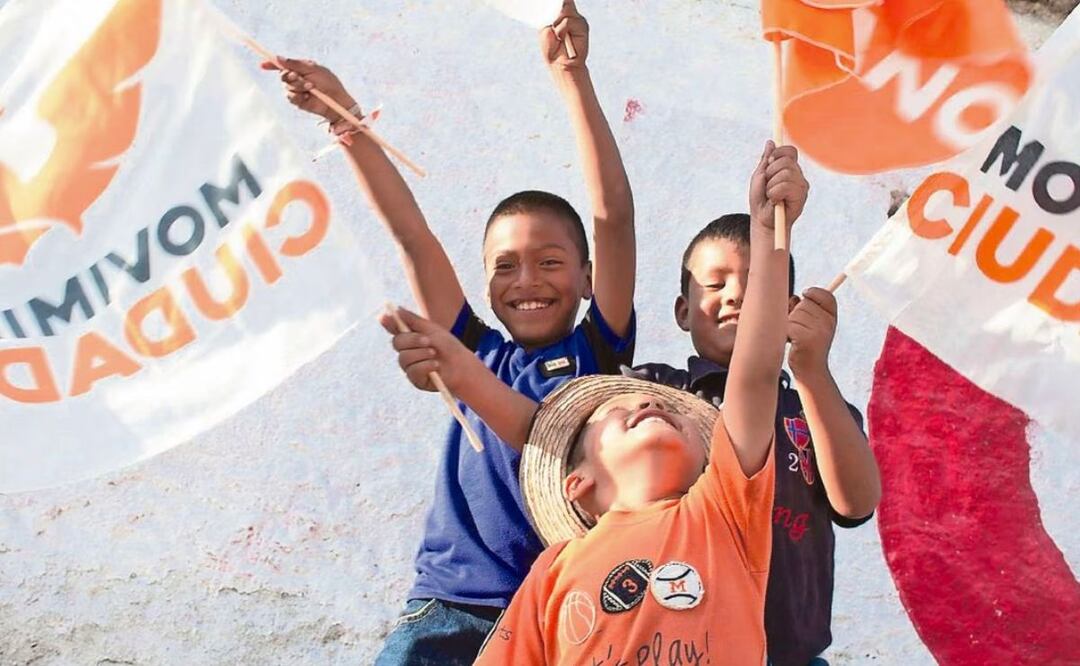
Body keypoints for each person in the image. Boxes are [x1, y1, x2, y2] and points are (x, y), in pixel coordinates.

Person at [269, 2, 635, 663]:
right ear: (487, 284)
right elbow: (412, 233)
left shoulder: (598, 351)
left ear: (587, 277)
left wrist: (572, 80)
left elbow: (612, 215)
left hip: (562, 615)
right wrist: (340, 116)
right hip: (448, 614)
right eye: (506, 266)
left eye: (551, 262)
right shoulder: (470, 348)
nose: (528, 280)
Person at [384, 140, 803, 664]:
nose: (641, 405)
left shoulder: (723, 512)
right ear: (576, 482)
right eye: (612, 414)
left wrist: (768, 235)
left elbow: (756, 373)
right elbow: (523, 424)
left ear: (707, 457)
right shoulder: (553, 571)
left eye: (671, 408)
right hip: (447, 597)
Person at [627, 155, 880, 666]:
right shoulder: (654, 391)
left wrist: (812, 372)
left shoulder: (812, 404)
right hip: (677, 648)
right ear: (682, 312)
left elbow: (856, 504)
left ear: (786, 308)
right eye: (715, 284)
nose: (737, 294)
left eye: (754, 282)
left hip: (790, 654)